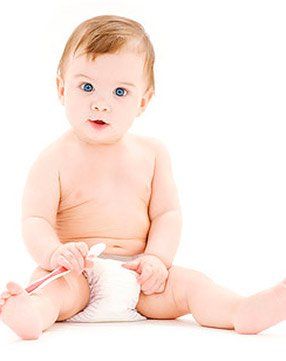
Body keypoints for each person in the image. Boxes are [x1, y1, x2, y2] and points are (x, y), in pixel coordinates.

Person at [1, 15, 285, 340]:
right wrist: (55, 254)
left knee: (191, 285)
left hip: (139, 277)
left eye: (120, 92)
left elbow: (167, 214)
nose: (101, 103)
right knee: (56, 291)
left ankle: (240, 311)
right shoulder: (52, 160)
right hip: (78, 271)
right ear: (61, 88)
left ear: (143, 101)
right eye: (87, 86)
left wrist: (157, 260)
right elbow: (35, 220)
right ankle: (32, 313)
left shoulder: (152, 155)